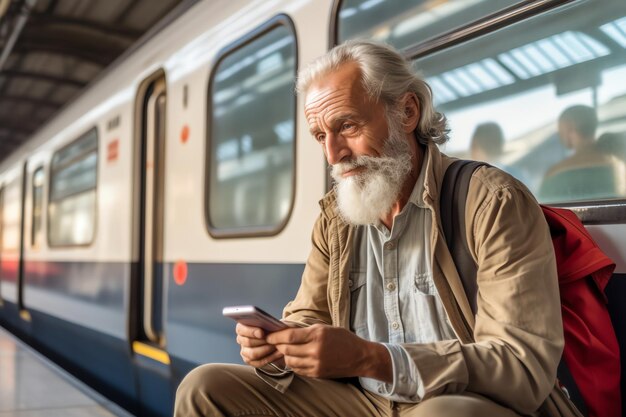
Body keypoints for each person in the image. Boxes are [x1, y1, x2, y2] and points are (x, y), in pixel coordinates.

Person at [174, 41, 565, 417]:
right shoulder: (337, 218)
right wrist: (281, 344)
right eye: (320, 136)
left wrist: (373, 359)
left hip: (460, 401)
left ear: (407, 112)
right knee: (204, 389)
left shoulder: (491, 202)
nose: (333, 154)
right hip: (362, 401)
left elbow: (522, 366)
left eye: (347, 125)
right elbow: (309, 316)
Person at [540, 106, 625, 201]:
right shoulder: (620, 166)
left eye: (559, 129)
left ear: (568, 127)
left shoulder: (553, 175)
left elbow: (543, 213)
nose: (559, 134)